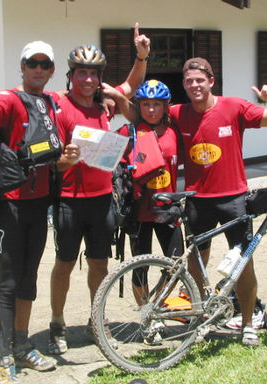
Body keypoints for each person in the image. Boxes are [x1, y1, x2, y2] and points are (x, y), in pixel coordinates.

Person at [0, 41, 74, 384]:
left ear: (51, 71)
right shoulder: (11, 99)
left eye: (44, 64)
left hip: (38, 206)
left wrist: (69, 160)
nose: (37, 68)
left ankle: (22, 344)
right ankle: (4, 355)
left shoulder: (50, 103)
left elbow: (51, 155)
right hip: (10, 208)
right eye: (31, 63)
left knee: (29, 281)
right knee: (7, 284)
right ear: (22, 67)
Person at [169, 57, 267, 347]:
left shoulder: (234, 106)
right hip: (197, 200)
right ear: (183, 85)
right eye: (188, 81)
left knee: (243, 263)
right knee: (197, 264)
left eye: (200, 80)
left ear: (211, 81)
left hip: (232, 198)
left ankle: (248, 324)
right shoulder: (177, 113)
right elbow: (145, 116)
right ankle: (200, 320)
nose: (194, 85)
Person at [49, 28, 150, 355]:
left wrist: (142, 55)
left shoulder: (105, 104)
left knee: (99, 265)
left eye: (94, 73)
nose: (88, 79)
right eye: (82, 73)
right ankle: (57, 322)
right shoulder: (57, 104)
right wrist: (63, 162)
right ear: (71, 75)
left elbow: (132, 84)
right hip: (68, 201)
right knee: (63, 264)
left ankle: (97, 320)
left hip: (102, 200)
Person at [104, 79, 183, 307]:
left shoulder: (174, 133)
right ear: (138, 106)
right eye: (146, 104)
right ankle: (145, 315)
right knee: (140, 269)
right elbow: (105, 161)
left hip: (168, 209)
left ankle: (156, 306)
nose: (151, 109)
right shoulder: (129, 132)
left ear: (165, 106)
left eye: (157, 104)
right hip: (138, 213)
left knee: (176, 264)